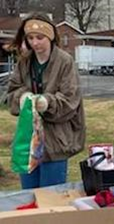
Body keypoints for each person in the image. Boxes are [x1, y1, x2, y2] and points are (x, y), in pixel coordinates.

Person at [7, 13, 85, 189]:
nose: (35, 43)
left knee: (51, 198)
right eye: (30, 38)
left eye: (40, 37)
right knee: (28, 196)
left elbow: (70, 98)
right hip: (28, 141)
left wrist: (47, 102)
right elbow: (11, 92)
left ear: (50, 37)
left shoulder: (65, 61)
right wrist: (21, 97)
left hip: (56, 141)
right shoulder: (24, 62)